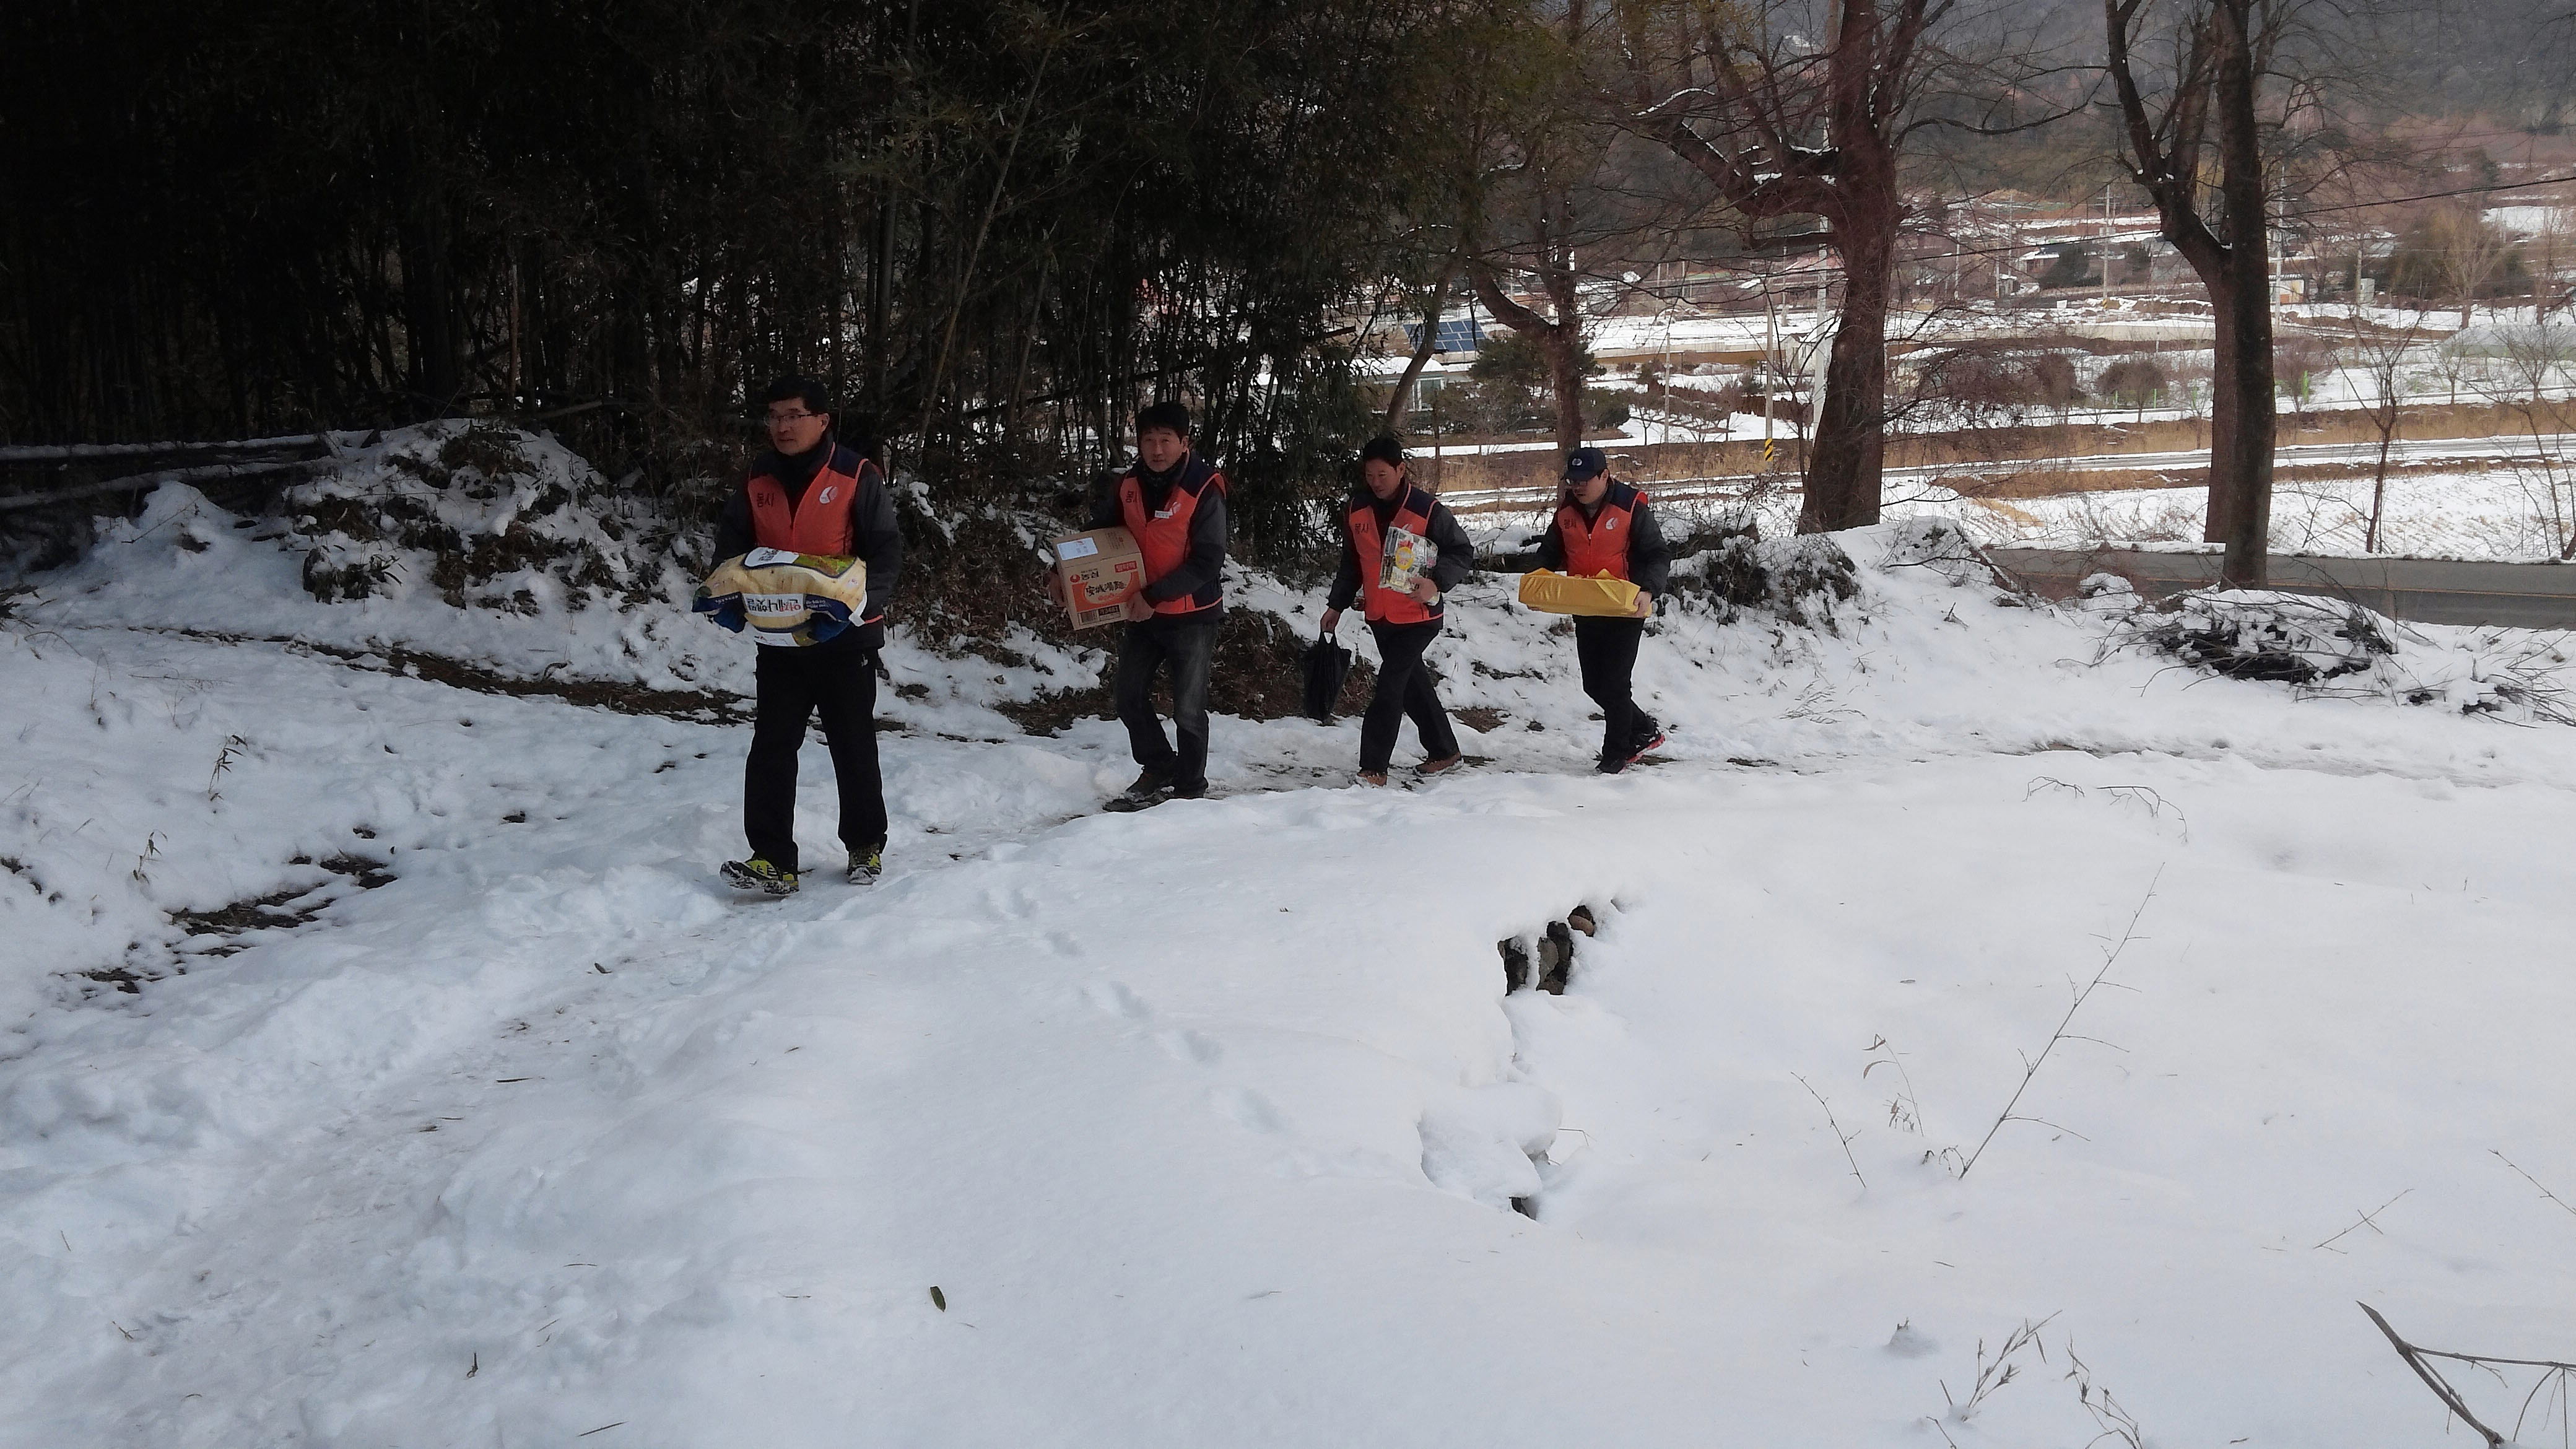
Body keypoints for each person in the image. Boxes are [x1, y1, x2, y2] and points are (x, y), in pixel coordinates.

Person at [714, 375, 905, 894]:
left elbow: (885, 550)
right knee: (772, 746)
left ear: (823, 421)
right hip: (780, 640)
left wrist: (864, 606)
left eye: (794, 415)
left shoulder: (855, 475)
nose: (783, 426)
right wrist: (728, 591)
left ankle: (865, 846)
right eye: (774, 416)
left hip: (845, 639)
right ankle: (772, 859)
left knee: (852, 743)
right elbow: (732, 544)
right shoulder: (758, 478)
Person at [1086, 400, 1229, 809]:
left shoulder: (1204, 488)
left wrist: (1154, 595)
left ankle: (1189, 788)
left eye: (1166, 440)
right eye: (1148, 440)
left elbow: (1208, 560)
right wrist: (1062, 572)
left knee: (1188, 709)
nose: (1157, 449)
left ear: (1184, 443)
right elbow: (1101, 532)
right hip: (1143, 614)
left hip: (1192, 616)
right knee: (1128, 697)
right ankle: (1158, 765)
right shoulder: (1130, 484)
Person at [1321, 436, 1474, 786]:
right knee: (1412, 685)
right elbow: (1353, 563)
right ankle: (1445, 751)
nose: (1375, 482)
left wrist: (1436, 583)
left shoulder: (1427, 509)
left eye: (1383, 474)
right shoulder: (1356, 509)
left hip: (1420, 618)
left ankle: (1373, 768)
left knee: (1389, 687)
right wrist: (1337, 604)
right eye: (1369, 474)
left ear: (1401, 470)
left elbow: (1462, 552)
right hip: (1380, 616)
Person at [1535, 445, 1669, 774]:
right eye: (1572, 480)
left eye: (1584, 479)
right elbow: (1549, 554)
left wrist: (1648, 590)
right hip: (1586, 607)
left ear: (1604, 476)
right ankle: (1643, 729)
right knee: (1594, 686)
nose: (1577, 486)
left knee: (1615, 684)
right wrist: (1537, 579)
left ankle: (1615, 756)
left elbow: (1657, 554)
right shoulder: (1566, 513)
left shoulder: (1630, 507)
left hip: (1625, 608)